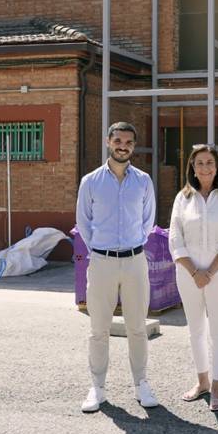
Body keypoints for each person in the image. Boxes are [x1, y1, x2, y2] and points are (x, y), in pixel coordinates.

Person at [76, 121, 158, 413]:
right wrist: (101, 251)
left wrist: (132, 246)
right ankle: (97, 388)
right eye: (118, 141)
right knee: (98, 329)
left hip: (135, 262)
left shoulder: (144, 181)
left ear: (134, 147)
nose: (123, 146)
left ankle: (141, 384)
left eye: (129, 142)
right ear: (108, 142)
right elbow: (84, 223)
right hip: (101, 262)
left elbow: (148, 222)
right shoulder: (91, 181)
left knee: (137, 328)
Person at [169, 144, 218, 412]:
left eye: (210, 162)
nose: (205, 167)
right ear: (192, 167)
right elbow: (175, 237)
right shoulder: (182, 198)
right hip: (187, 274)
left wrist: (208, 272)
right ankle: (202, 382)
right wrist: (193, 271)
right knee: (196, 328)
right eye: (199, 163)